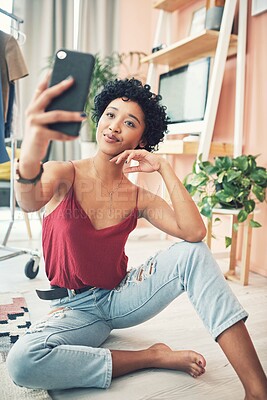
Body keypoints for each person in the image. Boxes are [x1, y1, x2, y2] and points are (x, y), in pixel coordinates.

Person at [7, 74, 267, 399]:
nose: (115, 126)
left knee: (193, 253)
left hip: (119, 297)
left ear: (142, 140)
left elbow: (194, 232)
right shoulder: (65, 173)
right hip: (75, 309)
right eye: (110, 115)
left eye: (129, 122)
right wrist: (33, 146)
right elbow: (28, 201)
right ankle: (151, 356)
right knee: (22, 362)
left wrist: (163, 168)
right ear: (100, 119)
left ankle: (257, 390)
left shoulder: (138, 197)